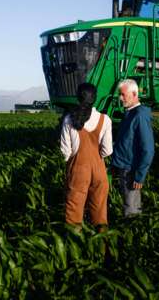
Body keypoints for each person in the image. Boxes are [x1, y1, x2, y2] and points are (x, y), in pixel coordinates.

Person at [60, 83, 112, 231]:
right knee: (100, 213)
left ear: (78, 97)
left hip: (78, 169)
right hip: (99, 170)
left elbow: (65, 151)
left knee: (73, 213)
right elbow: (107, 150)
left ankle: (75, 247)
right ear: (95, 98)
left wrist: (75, 162)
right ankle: (102, 249)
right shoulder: (105, 119)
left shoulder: (69, 119)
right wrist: (96, 158)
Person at [111, 79, 155, 217]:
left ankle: (132, 232)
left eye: (123, 94)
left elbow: (148, 149)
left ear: (134, 94)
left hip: (131, 169)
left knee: (131, 207)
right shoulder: (130, 113)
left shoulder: (139, 115)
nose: (120, 98)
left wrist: (140, 176)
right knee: (129, 204)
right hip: (124, 166)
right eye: (120, 94)